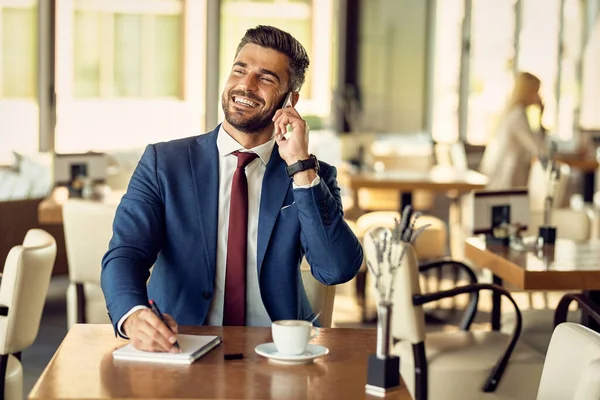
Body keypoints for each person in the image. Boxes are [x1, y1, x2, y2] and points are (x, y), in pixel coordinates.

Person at [100, 25, 363, 352]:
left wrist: (299, 165)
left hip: (281, 351)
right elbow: (126, 252)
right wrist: (134, 316)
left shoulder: (311, 174)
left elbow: (336, 268)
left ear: (290, 101)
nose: (246, 85)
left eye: (266, 78)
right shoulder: (164, 162)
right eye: (240, 70)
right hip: (179, 343)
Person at [479, 71, 548, 189]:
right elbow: (539, 150)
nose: (539, 95)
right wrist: (541, 117)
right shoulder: (517, 116)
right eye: (536, 90)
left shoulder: (513, 112)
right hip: (505, 182)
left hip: (505, 178)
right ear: (528, 91)